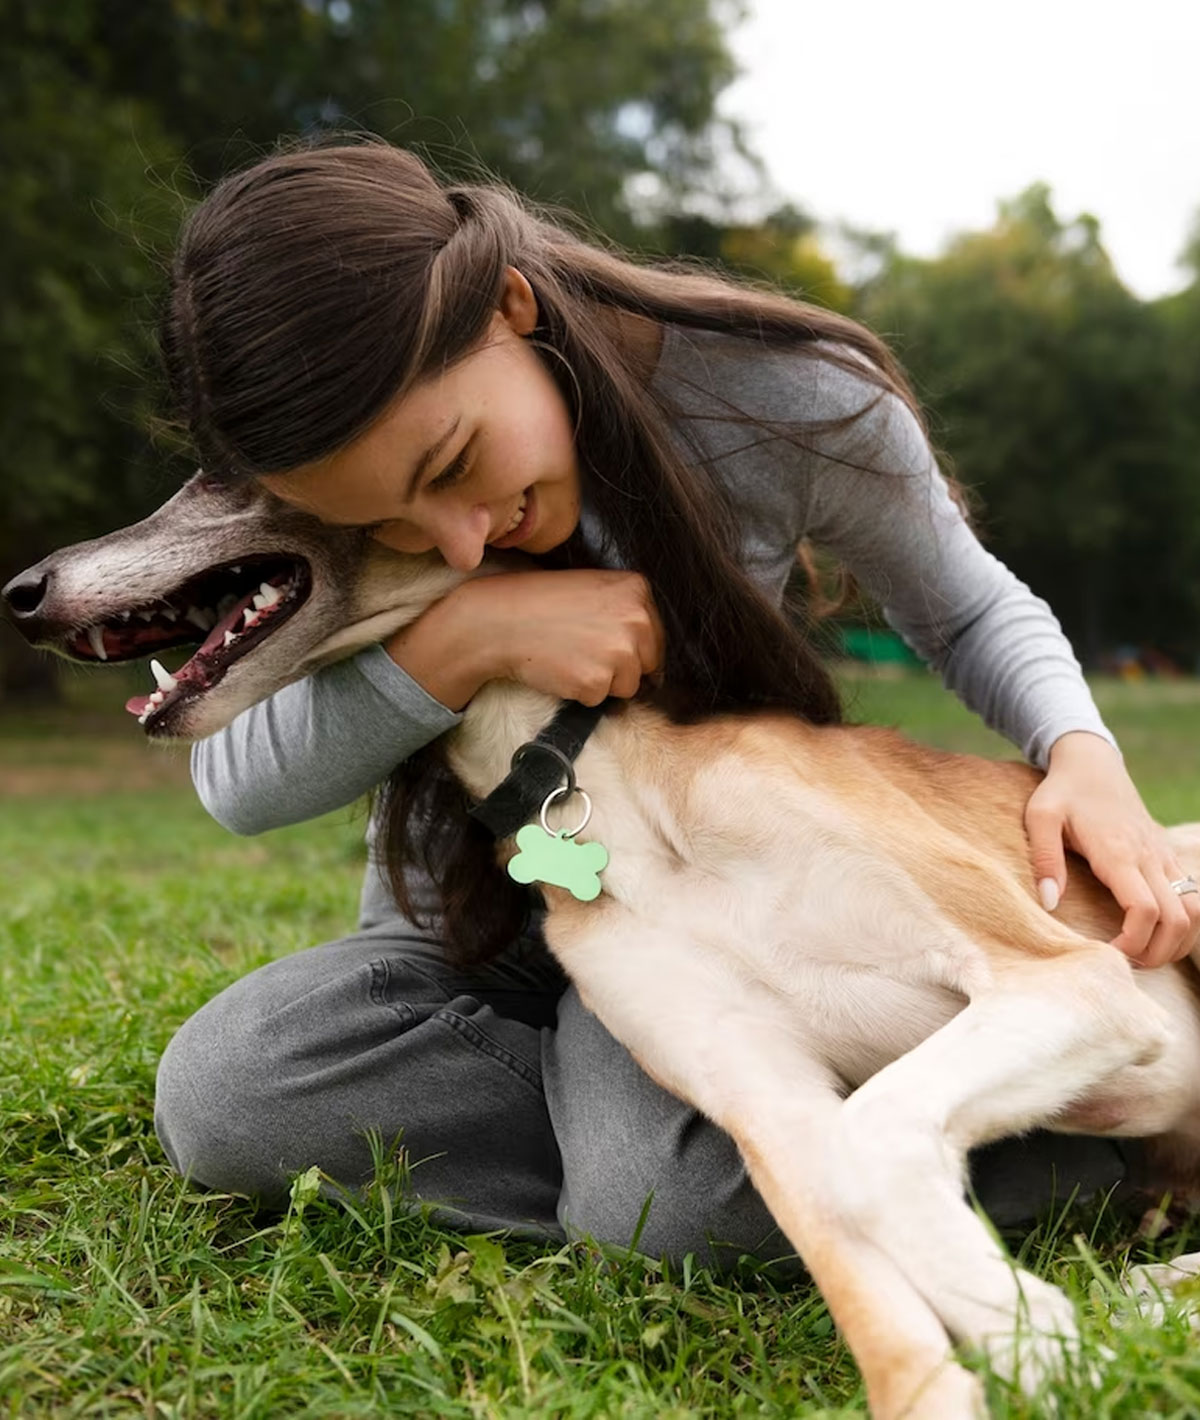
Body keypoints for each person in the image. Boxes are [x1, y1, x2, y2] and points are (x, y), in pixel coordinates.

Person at [153, 138, 1198, 1269]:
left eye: (455, 464)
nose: (456, 538)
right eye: (389, 526)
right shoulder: (321, 448)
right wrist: (465, 640)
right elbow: (236, 779)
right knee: (232, 1091)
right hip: (471, 934)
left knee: (672, 1212)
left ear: (509, 306)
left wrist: (1081, 750)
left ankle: (1068, 1151)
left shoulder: (769, 393)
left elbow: (966, 608)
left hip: (713, 911)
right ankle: (669, 1150)